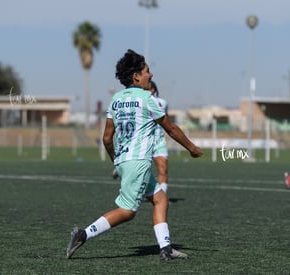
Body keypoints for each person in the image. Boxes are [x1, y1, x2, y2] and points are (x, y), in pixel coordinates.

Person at [66, 49, 202, 261]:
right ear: (136, 76)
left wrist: (118, 161)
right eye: (148, 71)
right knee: (127, 211)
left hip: (124, 160)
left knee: (160, 199)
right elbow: (171, 128)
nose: (151, 75)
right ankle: (83, 234)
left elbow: (106, 138)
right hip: (137, 162)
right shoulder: (147, 99)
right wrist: (192, 148)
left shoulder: (116, 100)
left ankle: (166, 249)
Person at [112, 80, 170, 194]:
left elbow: (165, 120)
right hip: (142, 140)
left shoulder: (162, 102)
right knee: (140, 171)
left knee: (163, 169)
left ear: (153, 90)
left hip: (158, 141)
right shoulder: (139, 101)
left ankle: (161, 195)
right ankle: (122, 170)